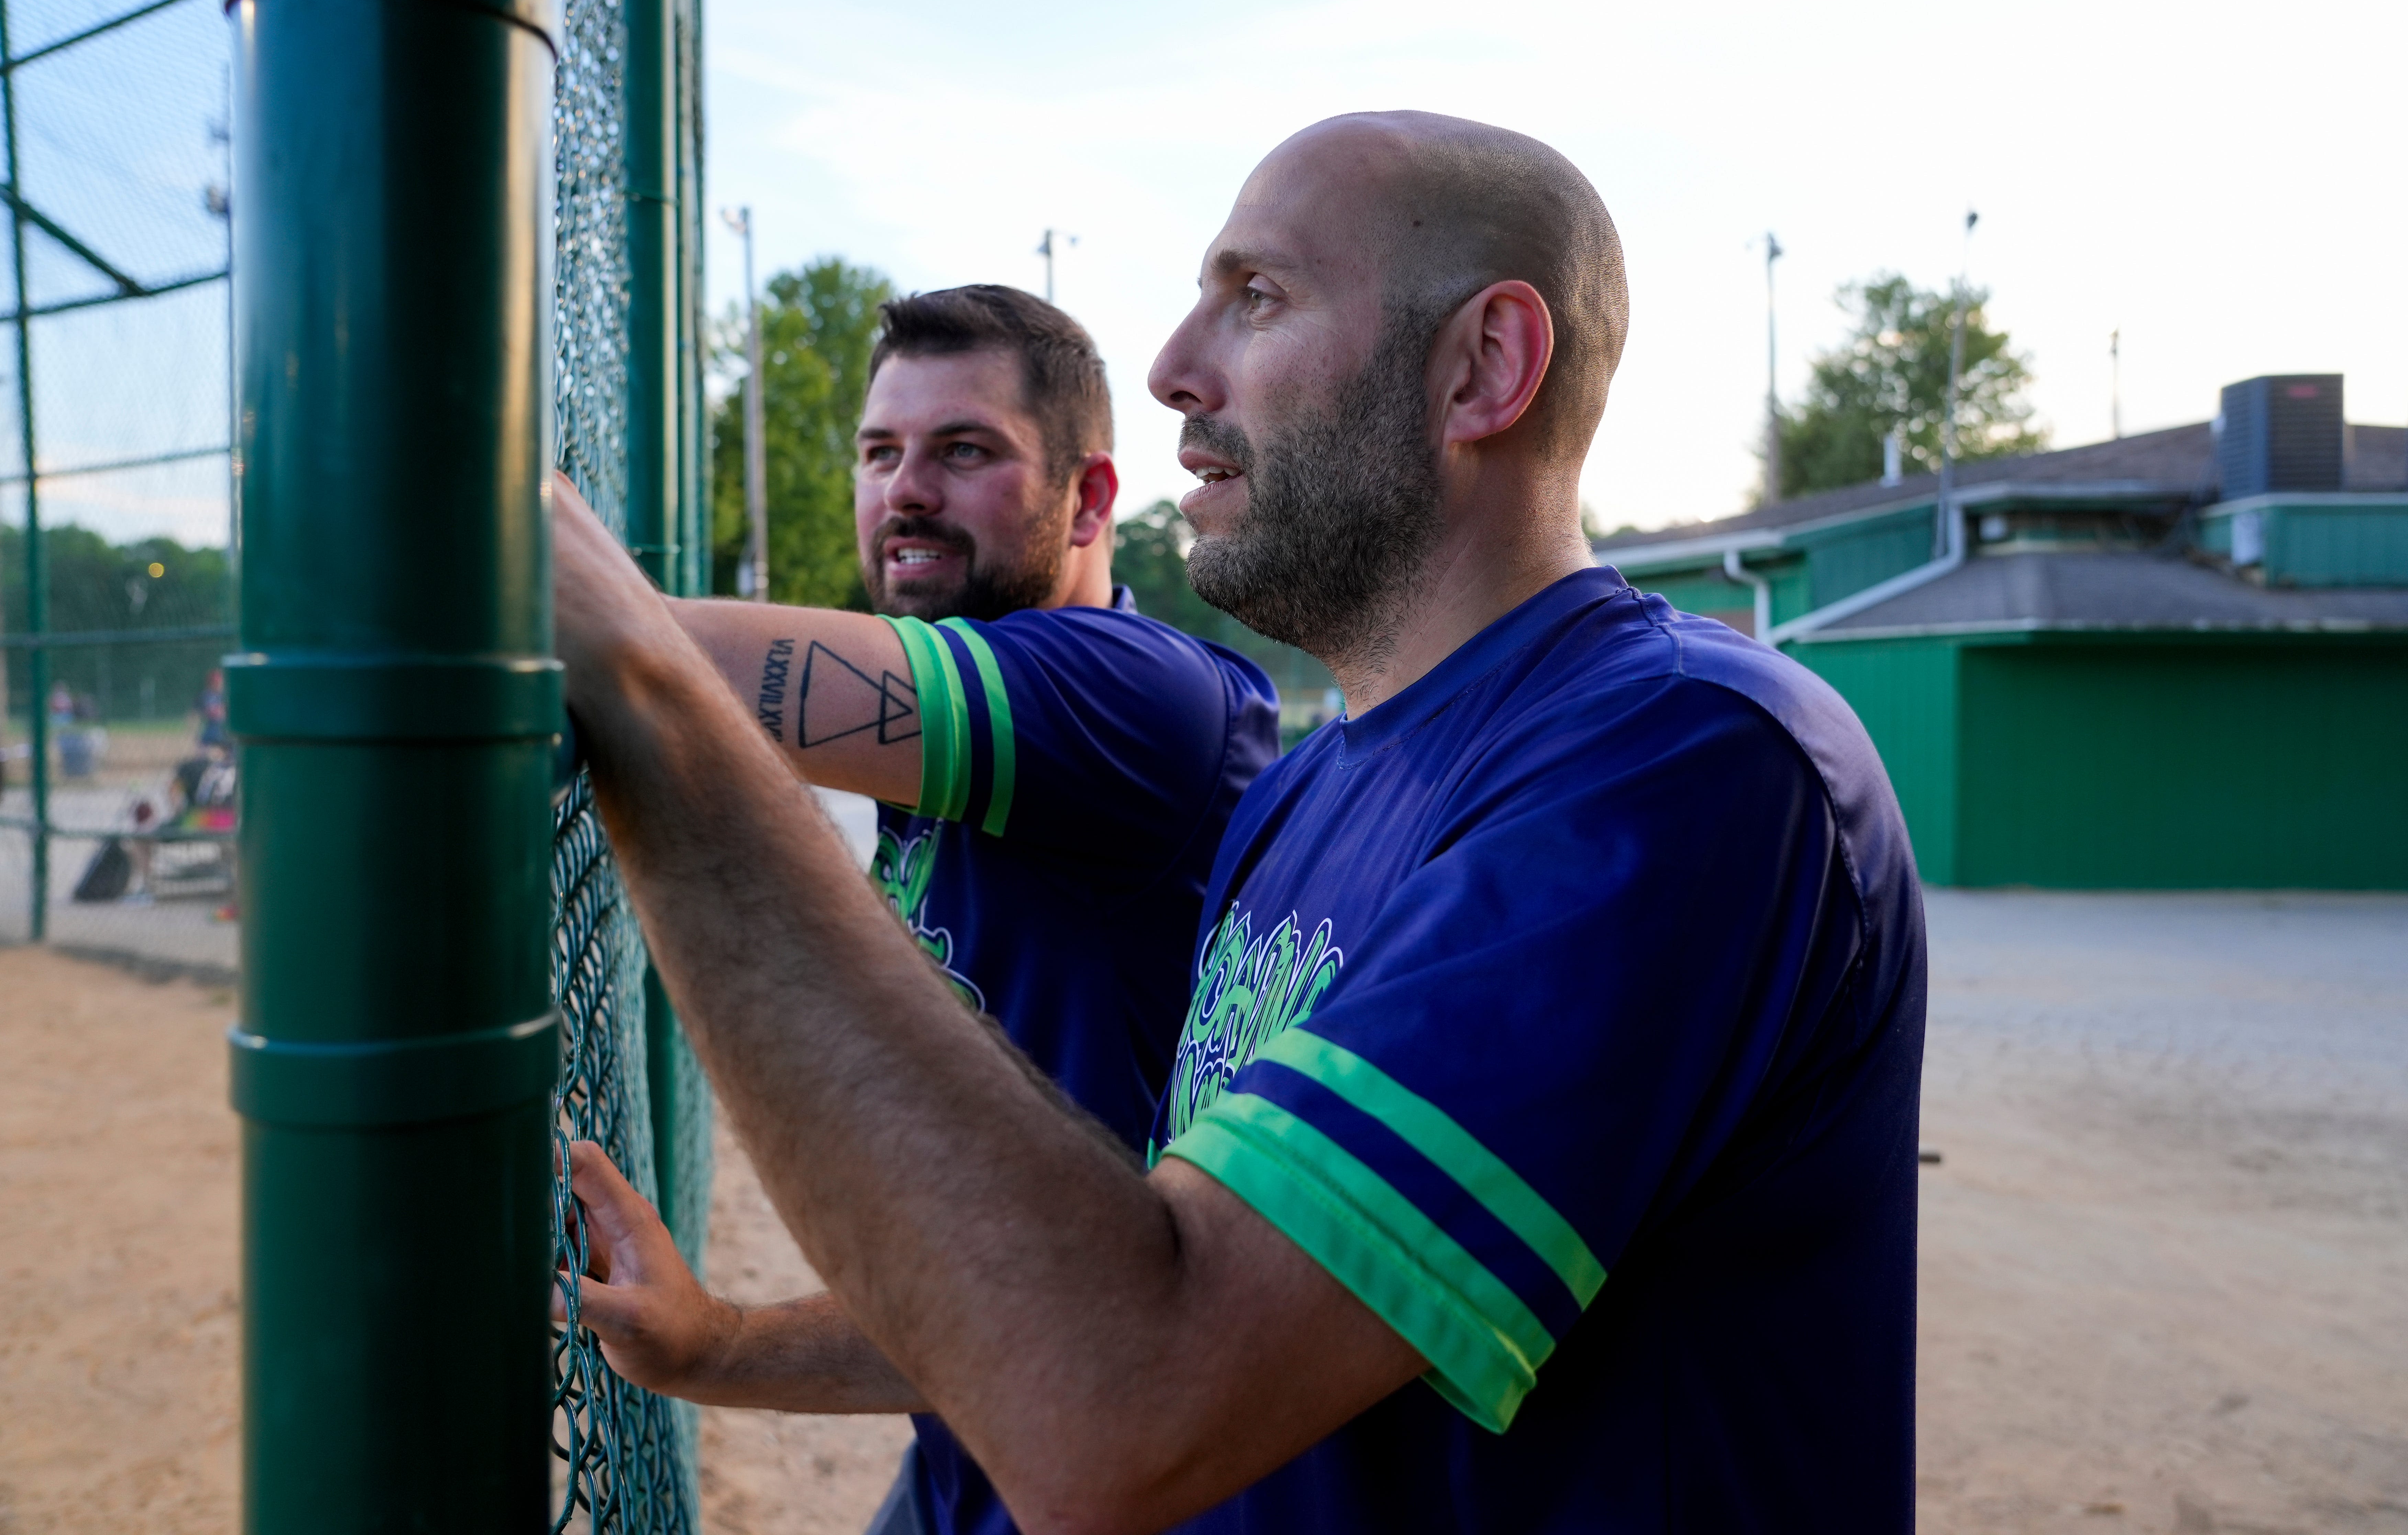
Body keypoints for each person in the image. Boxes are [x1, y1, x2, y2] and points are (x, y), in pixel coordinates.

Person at [555, 112, 1926, 1533]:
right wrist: (725, 1348)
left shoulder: (1686, 760)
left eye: (1256, 296)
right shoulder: (1300, 800)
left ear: (1485, 368)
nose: (1169, 369)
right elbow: (1138, 1267)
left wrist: (650, 696)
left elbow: (1130, 1395)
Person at [556, 283, 1280, 1535]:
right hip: (974, 1469)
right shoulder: (936, 769)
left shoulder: (1137, 702)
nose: (906, 492)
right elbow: (1024, 1270)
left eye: (966, 452)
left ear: (1092, 500)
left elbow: (637, 659)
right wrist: (715, 1348)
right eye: (881, 452)